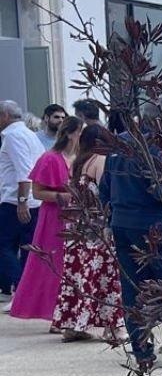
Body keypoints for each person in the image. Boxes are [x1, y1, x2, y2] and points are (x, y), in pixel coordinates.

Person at [100, 98, 162, 367]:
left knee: (133, 288)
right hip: (154, 224)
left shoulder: (119, 144)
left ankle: (141, 351)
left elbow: (105, 187)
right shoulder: (158, 148)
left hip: (122, 223)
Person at [51, 123, 124, 341]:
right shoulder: (101, 161)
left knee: (77, 275)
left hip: (77, 226)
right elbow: (106, 193)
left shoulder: (77, 162)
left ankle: (73, 325)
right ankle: (112, 327)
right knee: (106, 276)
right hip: (96, 227)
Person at [10, 116, 82, 322]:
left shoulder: (80, 158)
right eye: (79, 132)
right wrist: (63, 197)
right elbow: (38, 192)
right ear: (69, 133)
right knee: (53, 262)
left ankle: (70, 311)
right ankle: (52, 311)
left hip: (77, 217)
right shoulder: (50, 158)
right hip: (54, 218)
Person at [0, 100, 45, 301]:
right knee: (27, 247)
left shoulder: (12, 136)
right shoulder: (29, 134)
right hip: (32, 200)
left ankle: (22, 288)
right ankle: (27, 289)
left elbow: (24, 172)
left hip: (16, 202)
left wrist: (21, 201)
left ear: (5, 116)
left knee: (3, 246)